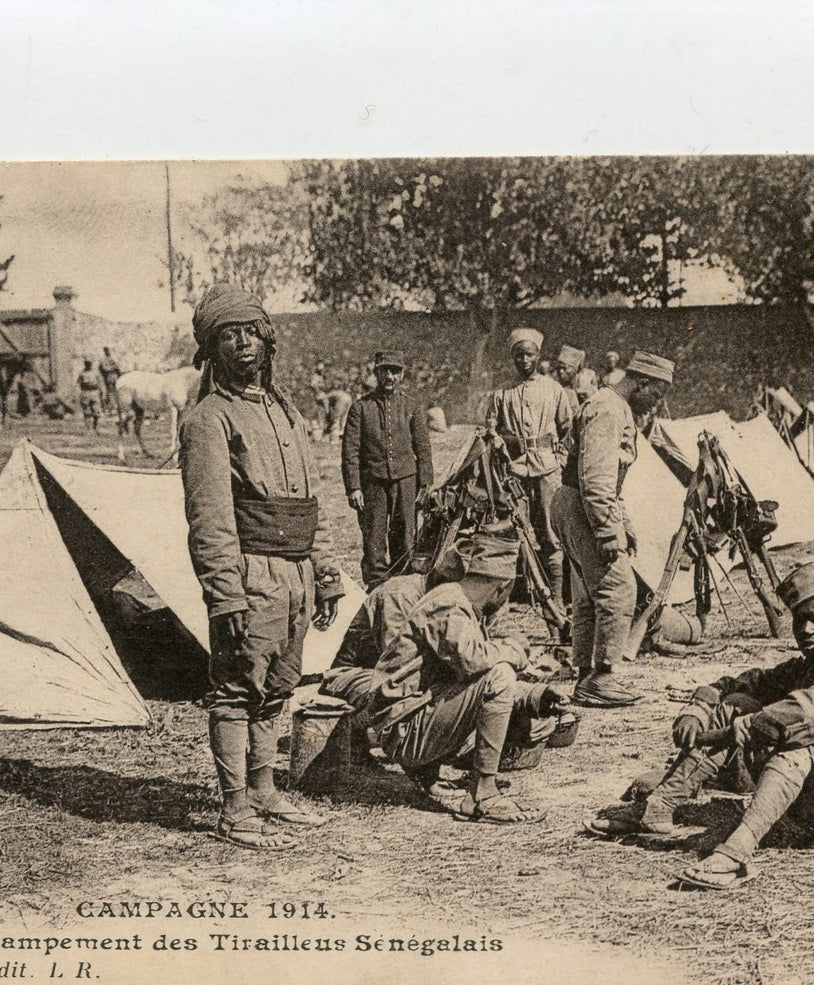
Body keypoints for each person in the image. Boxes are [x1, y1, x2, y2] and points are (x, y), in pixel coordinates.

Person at [583, 558, 814, 890]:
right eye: (799, 621)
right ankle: (659, 807)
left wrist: (747, 726)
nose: (806, 631)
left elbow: (804, 713)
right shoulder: (810, 665)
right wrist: (700, 707)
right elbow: (743, 684)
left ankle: (737, 853)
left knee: (800, 735)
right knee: (737, 705)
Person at [179, 283, 344, 850]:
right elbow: (210, 519)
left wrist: (324, 573)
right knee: (234, 690)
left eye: (250, 330)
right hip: (251, 575)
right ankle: (233, 809)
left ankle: (265, 790)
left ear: (268, 338)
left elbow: (310, 502)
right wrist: (225, 594)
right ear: (212, 348)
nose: (242, 342)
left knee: (278, 687)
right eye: (228, 334)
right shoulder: (208, 420)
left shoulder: (285, 410)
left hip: (296, 573)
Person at [381, 534, 569, 822]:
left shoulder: (460, 603)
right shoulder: (448, 605)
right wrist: (514, 648)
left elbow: (467, 681)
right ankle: (483, 794)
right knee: (501, 674)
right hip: (401, 731)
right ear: (502, 587)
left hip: (411, 720)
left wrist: (533, 695)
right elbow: (475, 663)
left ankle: (432, 772)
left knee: (499, 676)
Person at [552, 349, 674, 708]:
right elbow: (597, 481)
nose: (657, 403)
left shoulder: (611, 405)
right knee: (618, 589)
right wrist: (608, 533)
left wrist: (625, 524)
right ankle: (602, 677)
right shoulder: (607, 409)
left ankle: (585, 673)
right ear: (644, 382)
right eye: (658, 393)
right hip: (583, 504)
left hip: (577, 502)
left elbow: (607, 483)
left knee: (590, 595)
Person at [483, 328, 575, 607]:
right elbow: (490, 427)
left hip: (547, 467)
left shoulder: (553, 389)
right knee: (514, 531)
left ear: (538, 356)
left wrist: (559, 457)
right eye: (518, 355)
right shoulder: (502, 392)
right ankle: (515, 592)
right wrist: (497, 441)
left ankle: (557, 595)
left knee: (550, 531)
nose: (523, 360)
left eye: (529, 355)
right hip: (514, 470)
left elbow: (569, 429)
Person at [342, 351, 433, 589]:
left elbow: (423, 447)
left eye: (395, 371)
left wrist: (425, 483)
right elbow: (350, 451)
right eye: (385, 371)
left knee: (404, 537)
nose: (390, 376)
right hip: (374, 483)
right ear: (376, 374)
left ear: (402, 375)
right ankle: (376, 588)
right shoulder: (360, 408)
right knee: (374, 538)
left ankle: (402, 588)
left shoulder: (412, 407)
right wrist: (353, 487)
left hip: (406, 481)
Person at [77, 358, 103, 431]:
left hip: (94, 393)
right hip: (86, 393)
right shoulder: (82, 373)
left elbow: (100, 383)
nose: (88, 365)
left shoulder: (95, 373)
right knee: (87, 412)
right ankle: (88, 429)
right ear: (85, 364)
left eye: (89, 363)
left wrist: (101, 392)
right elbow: (79, 383)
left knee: (96, 412)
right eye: (87, 363)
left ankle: (95, 427)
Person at [98, 346, 122, 411]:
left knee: (114, 392)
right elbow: (101, 369)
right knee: (110, 392)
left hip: (112, 377)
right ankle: (113, 407)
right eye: (106, 351)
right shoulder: (104, 360)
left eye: (108, 351)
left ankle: (117, 406)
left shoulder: (112, 359)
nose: (107, 352)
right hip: (109, 377)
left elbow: (118, 369)